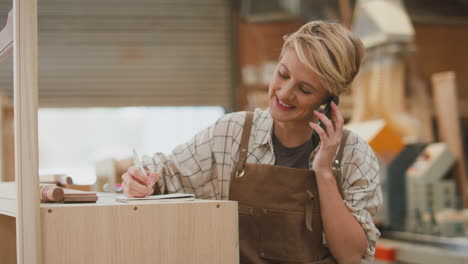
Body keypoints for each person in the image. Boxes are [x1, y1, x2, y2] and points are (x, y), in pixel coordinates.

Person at [121, 21, 382, 264]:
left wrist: (324, 172)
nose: (285, 93)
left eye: (305, 90)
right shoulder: (231, 134)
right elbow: (166, 176)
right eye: (283, 74)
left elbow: (351, 256)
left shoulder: (353, 154)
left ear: (328, 101)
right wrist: (143, 180)